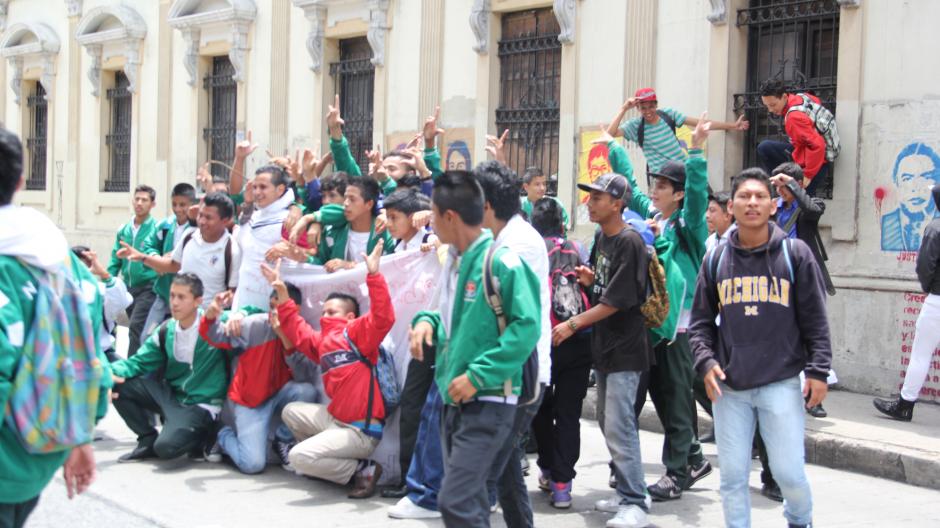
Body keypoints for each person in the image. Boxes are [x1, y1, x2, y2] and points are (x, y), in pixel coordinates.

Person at [689, 167, 832, 528]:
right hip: (730, 387)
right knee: (732, 479)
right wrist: (705, 362)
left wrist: (817, 371)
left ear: (772, 206)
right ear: (731, 206)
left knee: (789, 474)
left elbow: (815, 318)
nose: (752, 202)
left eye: (760, 196)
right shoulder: (716, 260)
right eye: (744, 196)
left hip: (780, 382)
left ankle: (800, 520)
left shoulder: (794, 254)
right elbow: (700, 323)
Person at [409, 171, 541, 527]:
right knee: (472, 499)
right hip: (454, 398)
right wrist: (427, 323)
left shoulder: (502, 261)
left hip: (491, 398)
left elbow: (526, 327)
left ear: (450, 217)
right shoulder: (453, 260)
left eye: (433, 215)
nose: (430, 223)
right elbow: (449, 317)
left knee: (457, 501)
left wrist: (478, 375)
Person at [606, 118, 713, 501]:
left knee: (677, 401)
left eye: (663, 186)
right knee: (659, 400)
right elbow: (630, 190)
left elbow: (699, 197)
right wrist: (612, 146)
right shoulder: (657, 221)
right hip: (652, 328)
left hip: (679, 331)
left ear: (679, 194)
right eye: (656, 184)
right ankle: (689, 459)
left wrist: (697, 151)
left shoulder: (689, 228)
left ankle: (677, 472)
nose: (655, 190)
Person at [0, 128, 100, 527]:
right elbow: (88, 354)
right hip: (38, 451)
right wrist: (80, 435)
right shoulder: (61, 258)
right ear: (22, 182)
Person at [551, 173, 651, 528]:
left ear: (618, 203)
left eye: (597, 198)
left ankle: (636, 502)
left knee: (620, 424)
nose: (590, 203)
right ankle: (627, 492)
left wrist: (572, 324)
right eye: (589, 197)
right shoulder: (601, 239)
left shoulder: (629, 242)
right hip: (605, 348)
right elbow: (605, 289)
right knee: (610, 424)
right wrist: (592, 282)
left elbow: (619, 301)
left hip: (626, 349)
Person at [272, 241, 395, 499]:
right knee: (291, 411)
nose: (325, 315)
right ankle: (325, 464)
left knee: (298, 456)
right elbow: (298, 330)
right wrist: (283, 296)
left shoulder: (358, 333)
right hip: (335, 422)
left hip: (360, 431)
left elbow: (383, 318)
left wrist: (374, 275)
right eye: (323, 311)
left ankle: (363, 470)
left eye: (332, 311)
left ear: (350, 317)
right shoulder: (322, 340)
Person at [472, 160, 551, 528]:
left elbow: (519, 322)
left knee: (482, 474)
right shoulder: (501, 237)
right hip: (508, 371)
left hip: (520, 373)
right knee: (502, 471)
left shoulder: (519, 244)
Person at [110, 273, 229, 463]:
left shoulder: (214, 322)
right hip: (172, 397)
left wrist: (240, 314)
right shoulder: (167, 329)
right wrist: (106, 374)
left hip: (201, 404)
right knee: (117, 382)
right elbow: (138, 362)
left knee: (166, 448)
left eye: (181, 297)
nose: (174, 302)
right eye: (172, 295)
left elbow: (250, 310)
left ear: (198, 301)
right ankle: (147, 439)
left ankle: (205, 435)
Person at [199, 288, 318, 474]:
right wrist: (210, 316)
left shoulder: (303, 332)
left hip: (279, 391)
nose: (274, 314)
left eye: (279, 308)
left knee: (308, 391)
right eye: (271, 307)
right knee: (252, 464)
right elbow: (216, 336)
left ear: (295, 309)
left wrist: (285, 338)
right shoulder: (255, 324)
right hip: (249, 400)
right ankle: (221, 433)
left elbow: (304, 374)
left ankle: (283, 440)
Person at [529, 198, 592, 510]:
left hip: (543, 341)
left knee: (539, 408)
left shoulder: (532, 251)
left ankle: (546, 466)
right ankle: (562, 485)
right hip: (577, 337)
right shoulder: (577, 248)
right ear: (563, 224)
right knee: (569, 414)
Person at [874, 184, 940, 421]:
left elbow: (925, 266)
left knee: (921, 354)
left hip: (937, 301)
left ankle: (905, 405)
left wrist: (928, 287)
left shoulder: (935, 228)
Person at [116, 192, 241, 311]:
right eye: (200, 215)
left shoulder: (232, 250)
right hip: (181, 318)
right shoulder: (189, 236)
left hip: (209, 324)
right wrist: (141, 257)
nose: (202, 222)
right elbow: (173, 265)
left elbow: (232, 292)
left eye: (208, 218)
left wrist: (215, 310)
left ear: (225, 220)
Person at [606, 88, 747, 177]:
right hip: (662, 179)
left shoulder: (668, 115)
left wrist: (732, 126)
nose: (648, 111)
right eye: (643, 108)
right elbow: (609, 135)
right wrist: (624, 109)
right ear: (638, 108)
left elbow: (700, 124)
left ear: (656, 105)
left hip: (684, 172)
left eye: (651, 106)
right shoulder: (635, 126)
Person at [233, 165, 296, 310]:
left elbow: (302, 256)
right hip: (244, 294)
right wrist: (248, 204)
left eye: (263, 187)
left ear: (280, 190)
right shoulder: (255, 216)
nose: (257, 192)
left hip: (270, 299)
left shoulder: (289, 219)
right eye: (254, 187)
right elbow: (242, 241)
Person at [108, 184, 159, 356]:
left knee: (136, 326)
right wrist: (108, 279)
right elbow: (115, 257)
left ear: (153, 204)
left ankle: (131, 371)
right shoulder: (124, 229)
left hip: (148, 287)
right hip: (128, 288)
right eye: (137, 199)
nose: (139, 203)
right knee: (140, 328)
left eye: (144, 200)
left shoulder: (157, 229)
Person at [757, 79, 831, 196]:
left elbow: (818, 145)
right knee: (765, 147)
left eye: (773, 105)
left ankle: (778, 185)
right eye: (767, 106)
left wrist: (807, 174)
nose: (770, 110)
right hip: (814, 157)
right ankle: (778, 183)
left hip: (815, 163)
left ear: (785, 97)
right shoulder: (801, 98)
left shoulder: (793, 117)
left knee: (803, 208)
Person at [141, 183, 197, 336]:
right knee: (147, 336)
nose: (178, 209)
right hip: (164, 292)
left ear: (193, 204)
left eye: (183, 205)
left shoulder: (198, 229)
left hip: (186, 295)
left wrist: (171, 258)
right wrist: (156, 259)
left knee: (179, 338)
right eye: (174, 204)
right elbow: (148, 245)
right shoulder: (165, 226)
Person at [308, 175, 394, 271]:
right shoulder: (333, 232)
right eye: (345, 198)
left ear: (369, 204)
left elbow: (391, 269)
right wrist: (304, 258)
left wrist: (349, 266)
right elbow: (321, 265)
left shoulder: (386, 234)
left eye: (352, 199)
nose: (346, 203)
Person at [72, 246, 133, 364]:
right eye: (75, 267)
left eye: (84, 268)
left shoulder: (100, 291)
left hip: (100, 357)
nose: (80, 273)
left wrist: (104, 274)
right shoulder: (57, 293)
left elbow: (121, 301)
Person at [880, 142, 940, 251]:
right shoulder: (888, 224)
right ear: (896, 183)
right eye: (907, 178)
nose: (915, 187)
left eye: (925, 177)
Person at [520, 166, 569, 231]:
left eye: (544, 184)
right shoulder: (519, 205)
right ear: (526, 187)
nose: (542, 188)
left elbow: (563, 229)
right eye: (537, 184)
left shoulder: (554, 204)